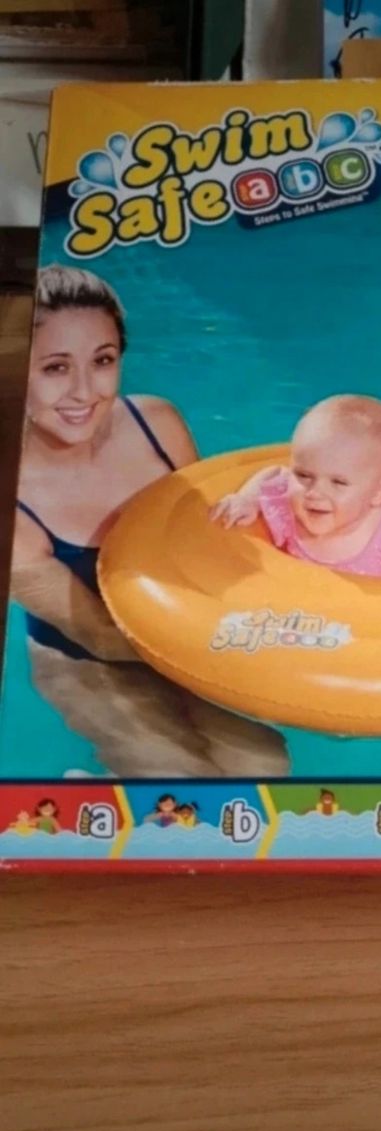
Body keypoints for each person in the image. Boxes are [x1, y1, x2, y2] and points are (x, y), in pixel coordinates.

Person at [11, 264, 288, 779]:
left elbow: (206, 544)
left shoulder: (156, 424)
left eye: (102, 360)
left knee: (265, 761)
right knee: (180, 778)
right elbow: (100, 636)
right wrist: (257, 658)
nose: (83, 391)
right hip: (87, 663)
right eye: (54, 368)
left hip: (180, 638)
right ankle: (96, 794)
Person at [210, 394, 381, 581]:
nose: (315, 492)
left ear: (380, 491)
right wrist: (247, 499)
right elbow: (274, 474)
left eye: (338, 482)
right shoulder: (288, 506)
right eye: (304, 475)